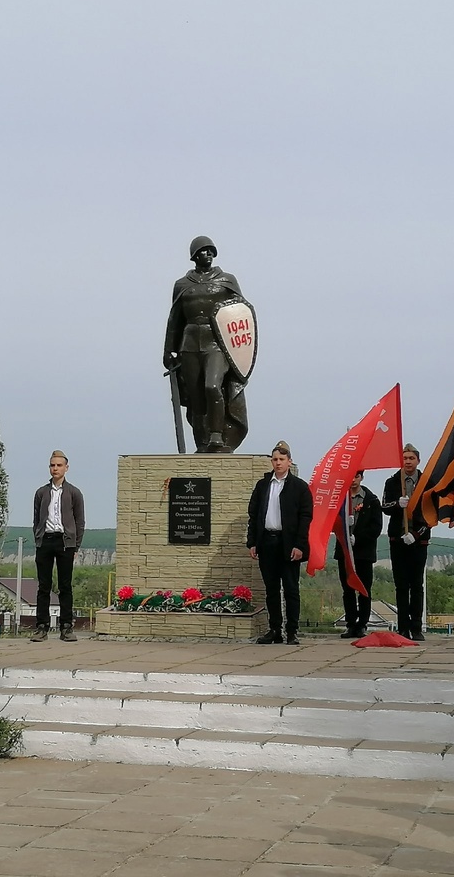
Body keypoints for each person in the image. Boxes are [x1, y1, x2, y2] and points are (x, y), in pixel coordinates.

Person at [163, 235, 251, 453]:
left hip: (217, 344)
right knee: (195, 397)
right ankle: (202, 441)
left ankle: (217, 435)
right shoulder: (182, 284)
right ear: (195, 255)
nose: (209, 254)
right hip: (189, 343)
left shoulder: (226, 281)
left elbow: (240, 314)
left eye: (211, 251)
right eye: (204, 251)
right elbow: (175, 318)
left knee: (212, 386)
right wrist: (168, 350)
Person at [246, 441, 313, 645]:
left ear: (289, 461)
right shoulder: (263, 485)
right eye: (274, 459)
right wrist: (252, 542)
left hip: (289, 544)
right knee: (272, 590)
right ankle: (275, 629)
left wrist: (300, 545)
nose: (278, 463)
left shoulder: (299, 487)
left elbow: (306, 517)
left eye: (282, 459)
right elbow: (254, 514)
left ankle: (292, 631)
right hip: (267, 542)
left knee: (291, 589)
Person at [31, 451, 86, 642]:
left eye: (59, 465)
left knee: (65, 586)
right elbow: (36, 519)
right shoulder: (41, 492)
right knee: (44, 586)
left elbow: (80, 521)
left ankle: (66, 627)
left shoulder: (74, 493)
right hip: (45, 541)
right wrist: (38, 538)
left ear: (66, 468)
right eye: (52, 465)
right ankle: (41, 627)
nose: (55, 468)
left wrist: (76, 545)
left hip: (65, 542)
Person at [381, 444, 430, 640]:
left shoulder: (427, 482)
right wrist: (396, 504)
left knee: (417, 585)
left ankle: (416, 627)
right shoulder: (393, 481)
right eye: (405, 458)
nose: (408, 461)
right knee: (401, 585)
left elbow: (431, 513)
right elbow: (385, 506)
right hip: (397, 539)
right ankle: (403, 627)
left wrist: (417, 535)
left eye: (411, 458)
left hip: (419, 540)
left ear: (418, 460)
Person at [332, 470, 383, 639]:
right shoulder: (340, 498)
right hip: (344, 551)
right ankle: (351, 624)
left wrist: (358, 539)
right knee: (347, 590)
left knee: (364, 589)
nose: (353, 480)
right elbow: (332, 521)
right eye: (350, 476)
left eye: (356, 476)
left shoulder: (371, 500)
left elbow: (376, 527)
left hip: (363, 553)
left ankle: (362, 625)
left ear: (361, 477)